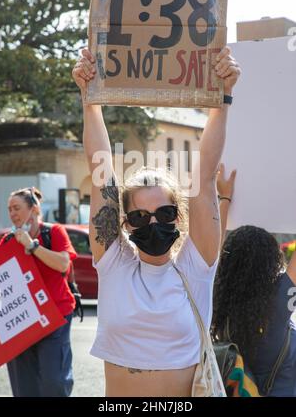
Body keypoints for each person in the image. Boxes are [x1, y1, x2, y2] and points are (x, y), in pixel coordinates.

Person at [72, 46, 241, 397]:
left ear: (179, 215)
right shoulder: (114, 264)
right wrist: (90, 99)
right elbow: (101, 172)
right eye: (139, 216)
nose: (153, 223)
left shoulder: (196, 268)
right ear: (125, 223)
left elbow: (205, 176)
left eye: (164, 214)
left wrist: (222, 96)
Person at [212, 168, 296, 397]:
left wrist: (224, 198)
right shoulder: (279, 301)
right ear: (270, 262)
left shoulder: (217, 301)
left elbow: (211, 254)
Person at [0, 187, 77, 397]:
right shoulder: (7, 241)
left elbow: (62, 264)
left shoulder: (54, 232)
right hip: (23, 321)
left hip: (56, 315)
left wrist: (32, 247)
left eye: (17, 208)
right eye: (9, 209)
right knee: (24, 388)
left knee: (54, 382)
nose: (12, 213)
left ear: (33, 209)